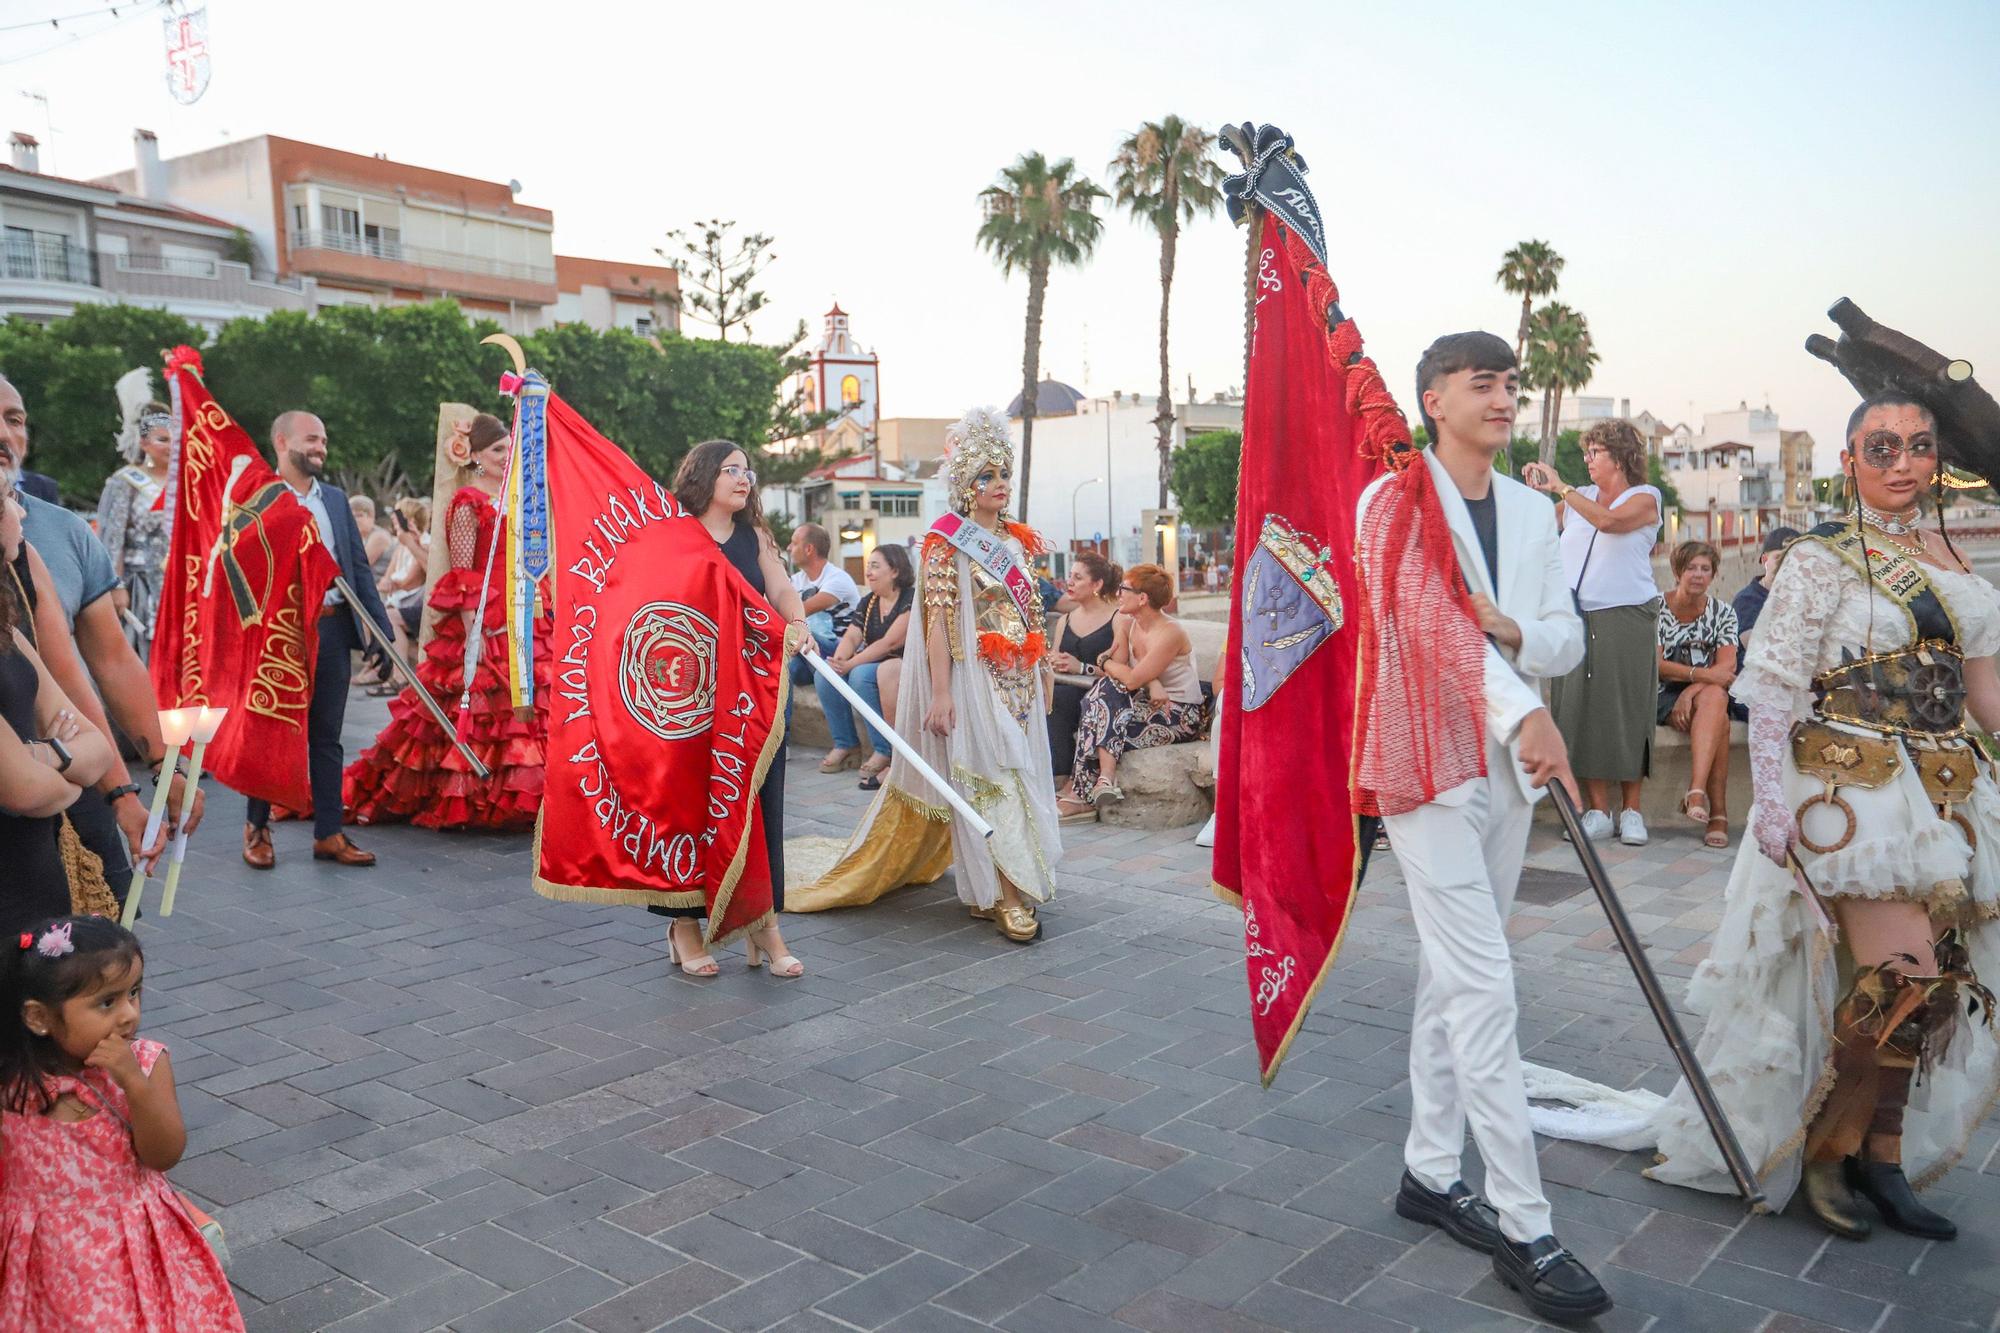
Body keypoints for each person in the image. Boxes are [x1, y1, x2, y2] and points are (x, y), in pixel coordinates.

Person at [1649, 392, 2000, 1244]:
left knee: (1934, 992)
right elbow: (1770, 685)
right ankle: (1828, 1152)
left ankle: (1883, 1158)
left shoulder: (1957, 564)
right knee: (1904, 974)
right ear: (1850, 461)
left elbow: (1987, 696)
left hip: (1951, 791)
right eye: (1881, 447)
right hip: (1855, 789)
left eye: (1918, 446)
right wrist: (1769, 801)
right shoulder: (1821, 557)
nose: (1901, 463)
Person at [1359, 332, 1608, 1323]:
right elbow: (1421, 627)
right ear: (1432, 399)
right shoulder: (1390, 499)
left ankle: (1427, 1169)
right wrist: (1520, 703)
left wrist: (1513, 632)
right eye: (1483, 383)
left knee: (1451, 970)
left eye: (1510, 382)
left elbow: (1566, 632)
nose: (1504, 397)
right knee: (1482, 979)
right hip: (1422, 761)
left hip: (1510, 771)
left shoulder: (1532, 510)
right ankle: (1523, 1221)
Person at [791, 407, 1061, 944]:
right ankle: (1007, 894)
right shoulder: (945, 543)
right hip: (973, 679)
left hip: (1020, 679)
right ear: (964, 483)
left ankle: (997, 890)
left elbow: (1030, 612)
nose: (999, 485)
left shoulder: (1016, 542)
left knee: (1022, 780)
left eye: (1003, 473)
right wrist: (940, 693)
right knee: (993, 782)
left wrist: (1044, 668)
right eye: (986, 476)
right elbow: (936, 624)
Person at [2, 374, 201, 909]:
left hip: (75, 789)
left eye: (14, 420)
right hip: (33, 791)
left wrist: (160, 771)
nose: (4, 434)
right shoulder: (122, 488)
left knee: (104, 956)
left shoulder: (59, 534)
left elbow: (103, 664)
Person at [0, 915, 245, 1330]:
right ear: (39, 1018)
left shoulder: (147, 1063)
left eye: (134, 993)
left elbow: (164, 1153)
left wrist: (132, 1082)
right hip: (42, 1255)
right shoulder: (14, 1084)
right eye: (106, 1002)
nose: (129, 1014)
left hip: (131, 1250)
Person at [646, 440, 811, 977]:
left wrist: (798, 621)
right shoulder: (675, 534)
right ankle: (684, 926)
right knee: (689, 811)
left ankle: (763, 926)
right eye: (731, 469)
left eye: (748, 470)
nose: (744, 479)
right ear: (702, 477)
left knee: (762, 806)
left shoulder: (756, 536)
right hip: (692, 699)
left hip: (755, 695)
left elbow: (782, 588)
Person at [344, 417, 550, 829]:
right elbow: (462, 570)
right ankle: (470, 794)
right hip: (485, 618)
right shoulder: (467, 501)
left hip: (524, 610)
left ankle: (532, 793)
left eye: (509, 446)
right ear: (474, 456)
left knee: (531, 703)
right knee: (477, 707)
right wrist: (475, 627)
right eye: (496, 449)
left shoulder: (520, 496)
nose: (506, 453)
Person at [241, 411, 389, 870]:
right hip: (279, 631)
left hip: (331, 624)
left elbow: (359, 569)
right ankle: (257, 829)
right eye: (312, 440)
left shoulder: (338, 500)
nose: (322, 447)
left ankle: (328, 833)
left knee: (327, 737)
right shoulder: (258, 497)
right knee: (270, 731)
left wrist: (379, 632)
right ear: (282, 442)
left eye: (324, 440)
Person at [1526, 418, 1663, 848]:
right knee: (1580, 711)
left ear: (1620, 456)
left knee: (1625, 708)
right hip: (1575, 617)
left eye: (1594, 453)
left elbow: (1608, 522)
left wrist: (1561, 487)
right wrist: (1533, 499)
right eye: (1585, 453)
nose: (1587, 460)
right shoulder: (1578, 499)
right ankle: (1597, 811)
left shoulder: (1645, 498)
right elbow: (1537, 532)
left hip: (1626, 616)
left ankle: (1633, 812)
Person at [0, 473, 113, 934]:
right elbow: (26, 790)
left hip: (36, 888)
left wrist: (43, 755)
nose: (22, 511)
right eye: (9, 500)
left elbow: (99, 747)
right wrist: (66, 779)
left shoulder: (8, 630)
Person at [1059, 563, 1203, 814]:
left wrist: (1104, 661)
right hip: (1145, 703)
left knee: (1098, 713)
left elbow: (1130, 677)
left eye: (1124, 589)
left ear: (1143, 598)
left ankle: (1081, 791)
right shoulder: (1126, 621)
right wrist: (1152, 681)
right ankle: (1103, 780)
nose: (1118, 594)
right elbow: (1121, 671)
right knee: (1103, 691)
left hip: (1179, 713)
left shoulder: (1170, 632)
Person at [1657, 540, 1739, 848]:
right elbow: (1656, 664)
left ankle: (1695, 793)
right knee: (1721, 719)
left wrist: (1691, 690)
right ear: (1677, 571)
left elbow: (1727, 667)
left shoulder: (1723, 613)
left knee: (1716, 699)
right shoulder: (1656, 608)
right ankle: (1718, 813)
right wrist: (1698, 679)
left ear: (1714, 575)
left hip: (1704, 695)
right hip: (1661, 693)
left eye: (1705, 569)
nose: (1698, 575)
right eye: (1691, 568)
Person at [815, 544, 913, 786]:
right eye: (868, 566)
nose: (868, 571)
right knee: (825, 675)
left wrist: (849, 665)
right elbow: (852, 636)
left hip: (897, 662)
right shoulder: (869, 601)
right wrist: (838, 660)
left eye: (875, 566)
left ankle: (884, 748)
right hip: (870, 661)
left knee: (859, 675)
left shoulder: (909, 598)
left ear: (895, 571)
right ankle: (846, 745)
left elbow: (890, 643)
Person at [95, 399, 174, 661]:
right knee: (140, 652)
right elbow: (112, 537)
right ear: (144, 443)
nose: (171, 446)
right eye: (163, 440)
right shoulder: (125, 481)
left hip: (180, 581)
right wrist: (115, 586)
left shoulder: (186, 480)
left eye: (176, 439)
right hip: (139, 583)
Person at [1046, 552, 1121, 798]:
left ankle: (1066, 781)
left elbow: (1123, 666)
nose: (1069, 582)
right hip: (1065, 686)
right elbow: (1055, 657)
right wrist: (1054, 661)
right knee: (1045, 696)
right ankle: (1054, 775)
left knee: (1060, 700)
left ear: (1097, 584)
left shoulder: (1117, 618)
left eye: (1077, 577)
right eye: (1070, 576)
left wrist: (1082, 667)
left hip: (1102, 690)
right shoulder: (1064, 620)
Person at [787, 522, 860, 696]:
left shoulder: (837, 579)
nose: (789, 548)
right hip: (809, 653)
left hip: (842, 650)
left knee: (798, 633)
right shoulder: (797, 580)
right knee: (785, 672)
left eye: (794, 543)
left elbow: (799, 612)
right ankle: (783, 724)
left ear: (809, 549)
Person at [375, 496, 431, 683]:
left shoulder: (425, 542)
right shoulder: (402, 545)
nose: (394, 522)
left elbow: (418, 577)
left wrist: (410, 542)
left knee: (388, 616)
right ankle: (379, 669)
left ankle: (399, 677)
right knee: (374, 613)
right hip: (402, 598)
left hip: (420, 602)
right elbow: (387, 579)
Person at [1731, 524, 1800, 655]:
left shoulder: (1800, 596)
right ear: (1764, 560)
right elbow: (1756, 648)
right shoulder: (1747, 600)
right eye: (1779, 558)